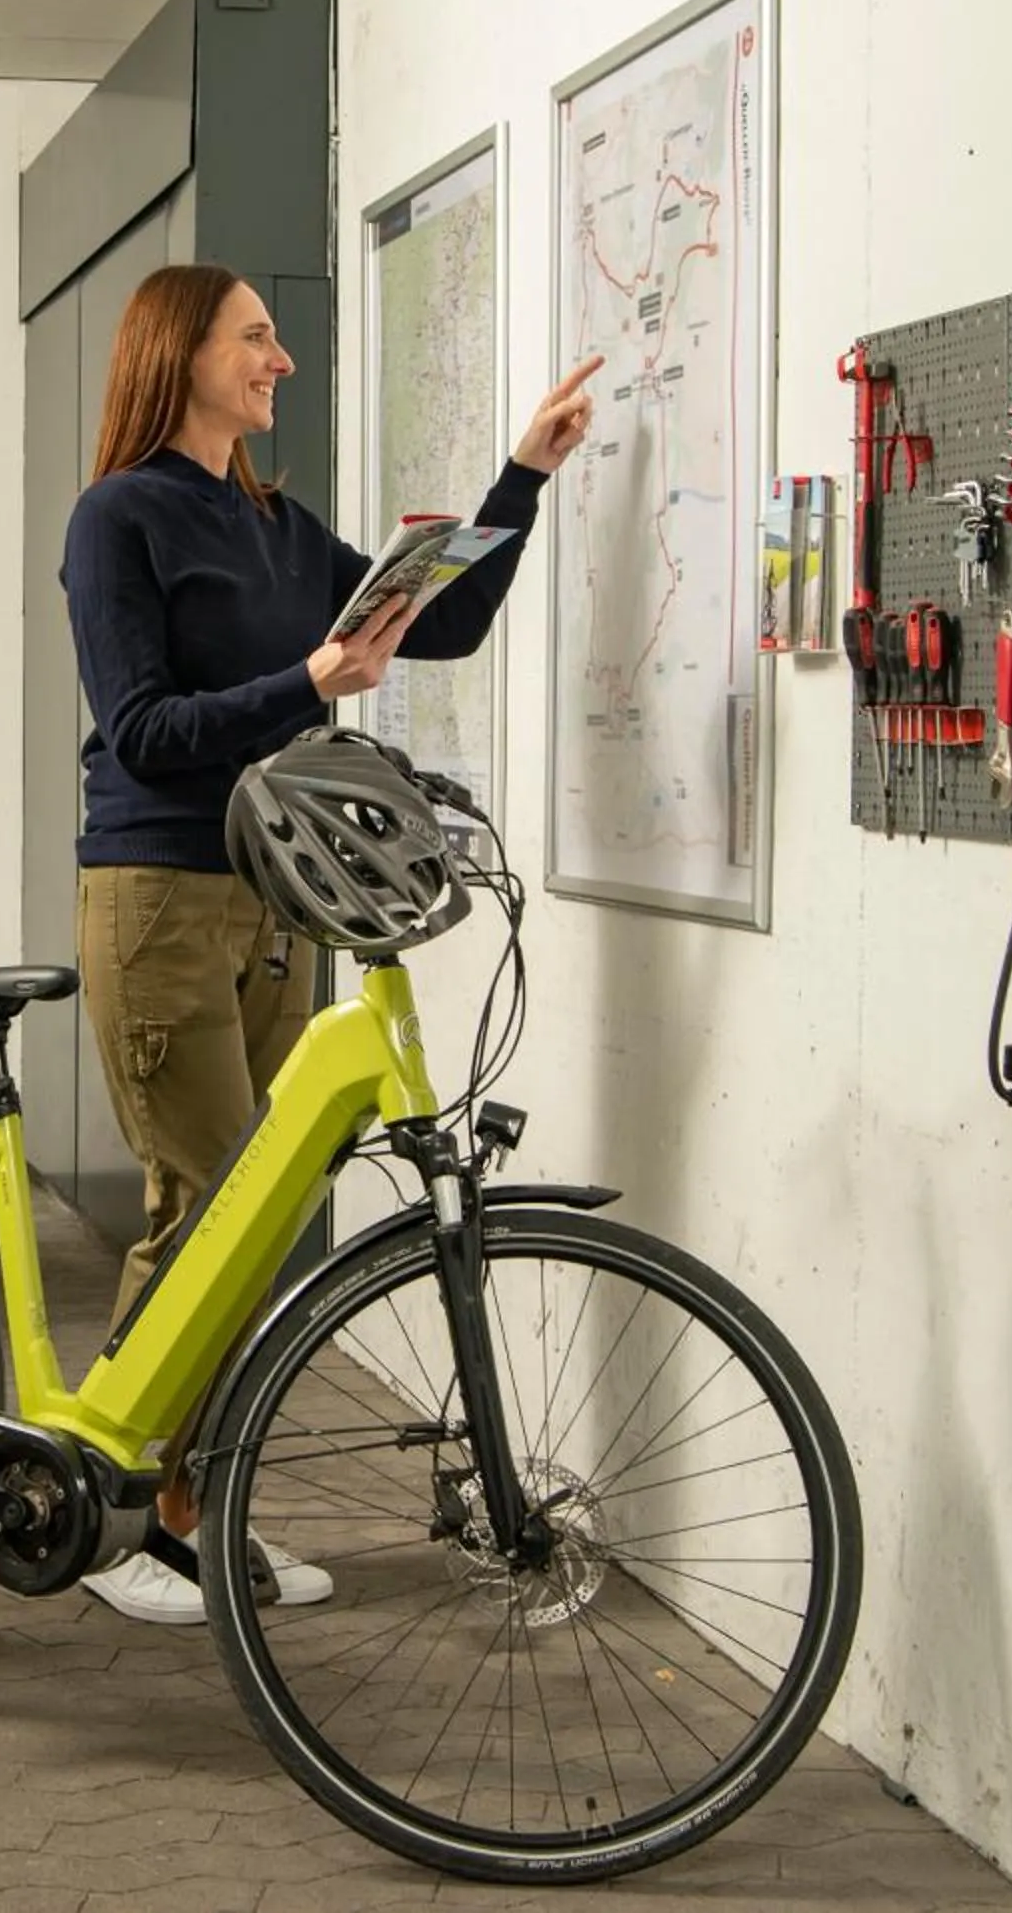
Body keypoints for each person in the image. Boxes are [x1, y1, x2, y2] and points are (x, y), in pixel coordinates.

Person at [60, 264, 598, 1625]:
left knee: (263, 1216)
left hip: (274, 891)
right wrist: (304, 682)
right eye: (256, 336)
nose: (281, 359)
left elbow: (447, 620)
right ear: (179, 351)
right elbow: (141, 727)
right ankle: (118, 1509)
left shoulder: (275, 522)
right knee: (204, 1203)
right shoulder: (118, 517)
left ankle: (192, 1510)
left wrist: (521, 476)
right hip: (159, 889)